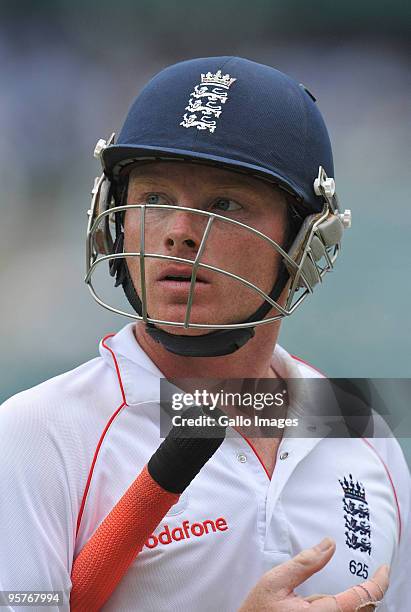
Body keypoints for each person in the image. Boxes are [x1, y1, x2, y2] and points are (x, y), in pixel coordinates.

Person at [0, 57, 409, 611]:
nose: (179, 234)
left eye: (224, 205)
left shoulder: (360, 426)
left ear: (308, 241)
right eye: (155, 199)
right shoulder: (37, 434)